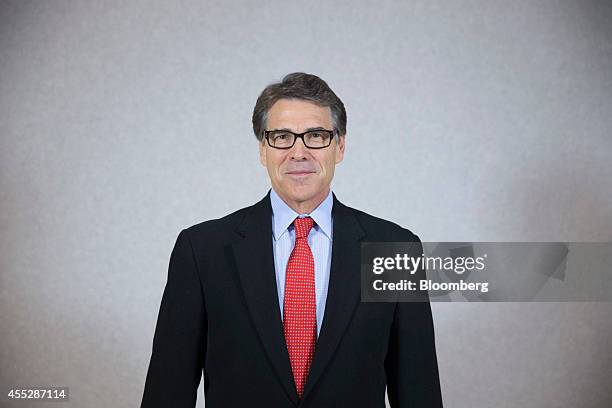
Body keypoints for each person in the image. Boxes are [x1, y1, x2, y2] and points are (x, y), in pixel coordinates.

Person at [140, 72, 443, 407]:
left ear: (339, 147)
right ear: (262, 150)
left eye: (315, 135)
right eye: (282, 136)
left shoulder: (394, 249)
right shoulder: (202, 251)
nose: (299, 152)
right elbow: (167, 392)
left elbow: (418, 389)